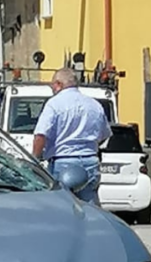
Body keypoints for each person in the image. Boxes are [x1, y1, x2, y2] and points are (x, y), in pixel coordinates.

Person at [32, 67, 112, 206]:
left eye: (53, 84)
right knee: (90, 207)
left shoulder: (54, 104)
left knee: (62, 207)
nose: (52, 88)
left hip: (63, 162)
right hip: (90, 161)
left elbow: (40, 135)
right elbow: (104, 134)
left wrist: (35, 159)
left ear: (59, 84)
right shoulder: (94, 105)